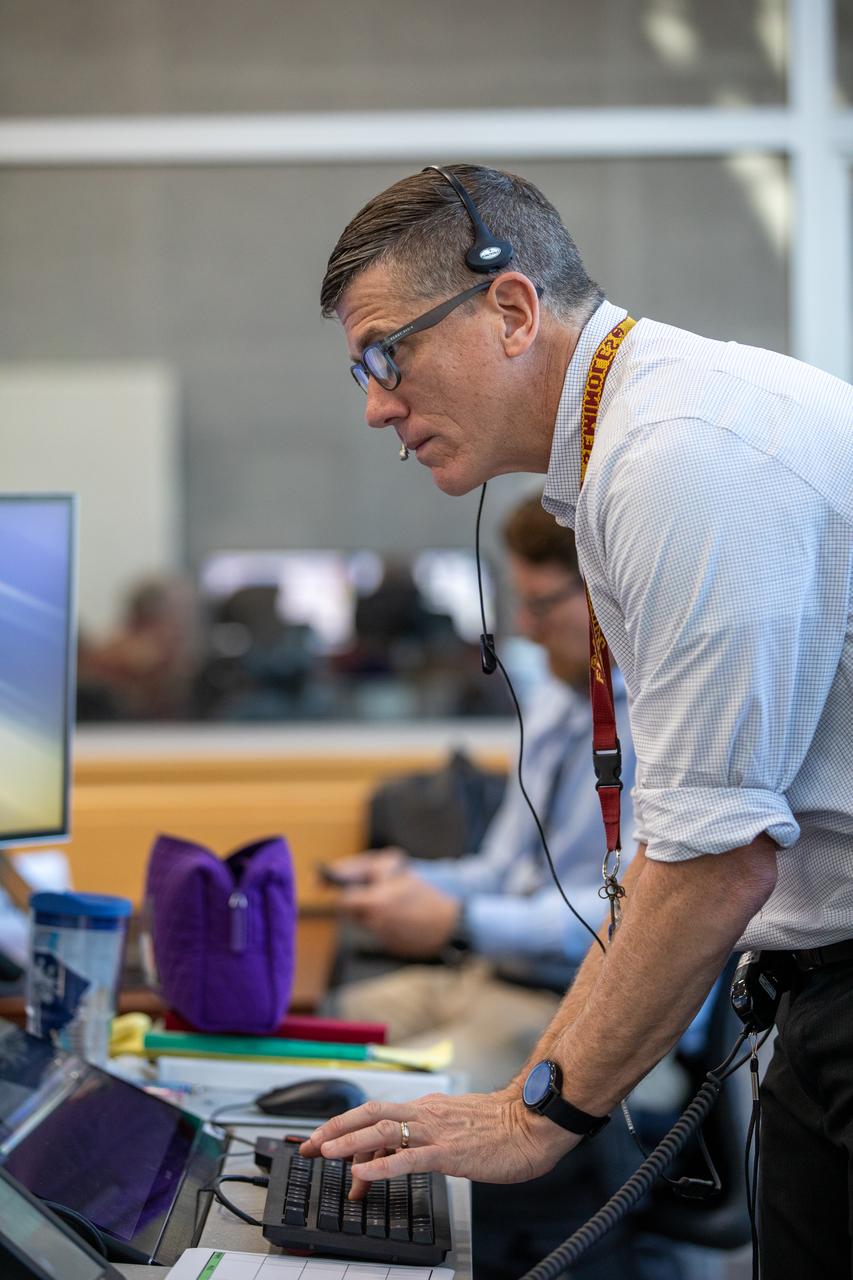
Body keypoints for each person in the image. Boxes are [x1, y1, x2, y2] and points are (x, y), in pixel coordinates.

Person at [301, 164, 853, 1277]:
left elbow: (713, 861)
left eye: (385, 356)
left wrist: (530, 1116)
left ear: (509, 309)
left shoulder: (683, 458)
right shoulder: (630, 447)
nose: (373, 404)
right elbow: (684, 845)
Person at [327, 493, 639, 1092]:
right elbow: (506, 871)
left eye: (539, 603)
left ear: (606, 591)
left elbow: (628, 916)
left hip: (573, 1010)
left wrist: (460, 920)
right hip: (493, 980)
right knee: (322, 1035)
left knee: (368, 1095)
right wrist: (411, 879)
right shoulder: (557, 705)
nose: (522, 625)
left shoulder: (657, 724)